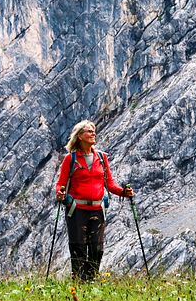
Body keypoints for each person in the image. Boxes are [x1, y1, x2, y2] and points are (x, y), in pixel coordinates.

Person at [55, 120, 134, 281]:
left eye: (94, 131)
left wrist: (124, 192)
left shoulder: (102, 157)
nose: (93, 134)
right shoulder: (70, 159)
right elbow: (61, 184)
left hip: (98, 210)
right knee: (79, 248)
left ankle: (90, 281)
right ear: (79, 136)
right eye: (89, 131)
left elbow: (110, 184)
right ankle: (78, 282)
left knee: (97, 249)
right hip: (77, 210)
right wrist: (60, 193)